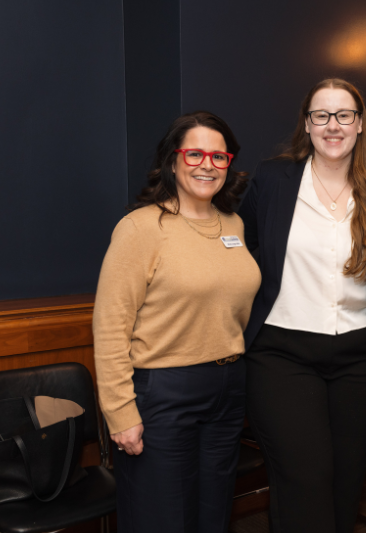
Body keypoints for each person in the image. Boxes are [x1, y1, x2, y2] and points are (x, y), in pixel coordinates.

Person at [93, 111, 261, 533]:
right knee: (162, 518)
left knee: (213, 514)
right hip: (164, 394)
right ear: (172, 160)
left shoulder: (234, 225)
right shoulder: (141, 228)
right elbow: (111, 326)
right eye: (195, 153)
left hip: (226, 390)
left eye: (219, 156)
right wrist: (120, 413)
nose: (208, 164)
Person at [239, 78, 366, 533]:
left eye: (344, 115)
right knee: (305, 478)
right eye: (321, 115)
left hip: (359, 360)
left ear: (360, 124)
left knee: (346, 482)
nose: (333, 125)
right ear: (307, 124)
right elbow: (241, 250)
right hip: (283, 355)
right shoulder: (273, 179)